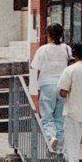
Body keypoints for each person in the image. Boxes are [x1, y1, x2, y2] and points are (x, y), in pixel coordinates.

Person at [31, 21, 71, 152]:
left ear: (48, 35)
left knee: (47, 114)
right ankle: (58, 149)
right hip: (62, 85)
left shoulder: (42, 50)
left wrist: (36, 87)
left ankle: (50, 136)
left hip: (47, 84)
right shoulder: (66, 48)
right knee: (60, 116)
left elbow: (36, 69)